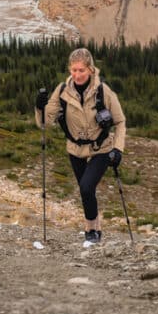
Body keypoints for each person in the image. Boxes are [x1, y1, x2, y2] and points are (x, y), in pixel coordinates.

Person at [35, 48, 126, 245]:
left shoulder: (104, 91)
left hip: (101, 148)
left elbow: (120, 122)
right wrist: (39, 107)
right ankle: (96, 227)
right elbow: (45, 122)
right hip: (75, 149)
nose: (77, 75)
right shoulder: (62, 91)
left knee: (86, 187)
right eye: (74, 70)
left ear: (91, 69)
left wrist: (118, 149)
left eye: (81, 70)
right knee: (86, 191)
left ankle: (90, 230)